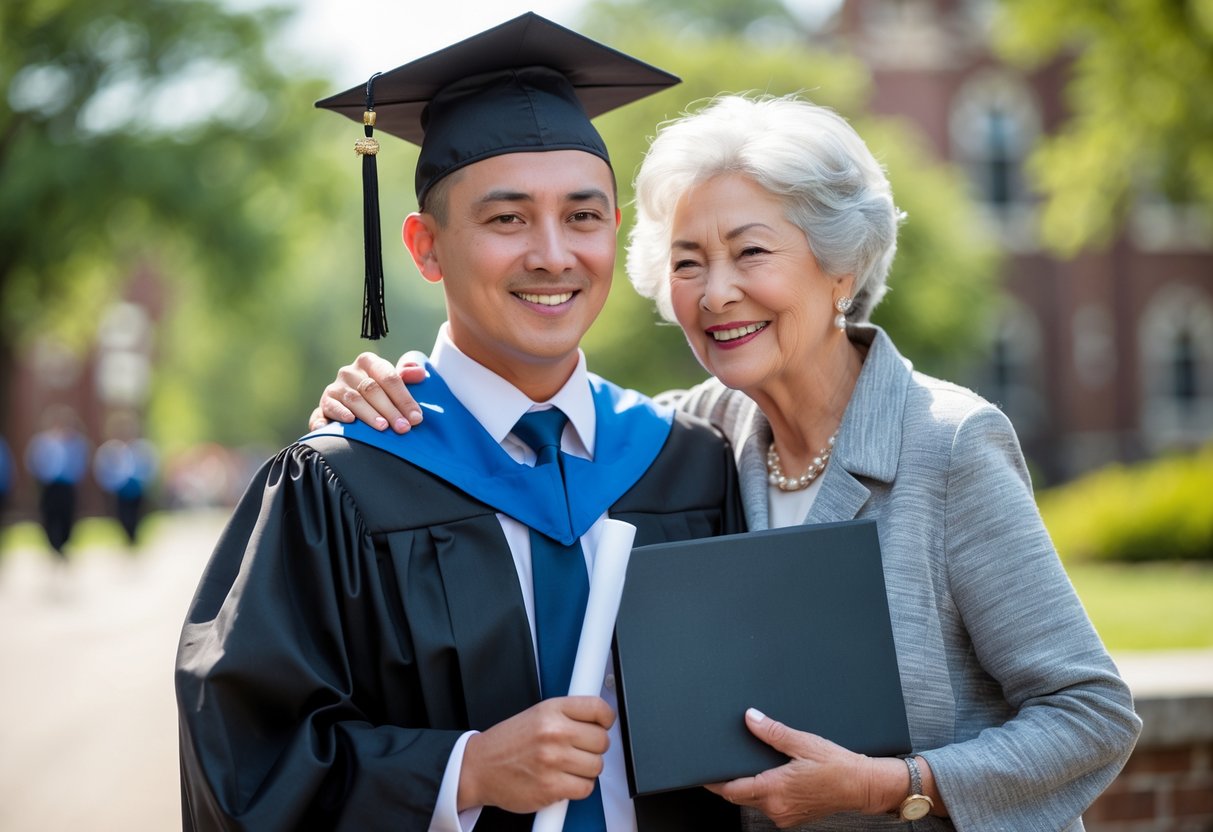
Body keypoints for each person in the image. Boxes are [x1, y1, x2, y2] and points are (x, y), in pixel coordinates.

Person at [311, 94, 1142, 830]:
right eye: (686, 262)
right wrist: (386, 404)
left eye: (750, 253)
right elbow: (536, 415)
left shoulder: (946, 441)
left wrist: (895, 785)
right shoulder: (698, 438)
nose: (714, 294)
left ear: (839, 266)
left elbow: (1092, 714)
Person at [175, 14, 744, 832]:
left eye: (582, 217)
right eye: (506, 219)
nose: (552, 254)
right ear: (424, 247)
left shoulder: (684, 464)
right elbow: (245, 761)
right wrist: (461, 772)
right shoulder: (342, 483)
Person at [24, 405, 89, 559]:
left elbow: (81, 462)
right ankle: (53, 545)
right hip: (49, 485)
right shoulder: (42, 441)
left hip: (67, 485)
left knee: (67, 515)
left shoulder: (76, 442)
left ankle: (63, 544)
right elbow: (34, 461)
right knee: (49, 515)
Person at [93, 410, 158, 546]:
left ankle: (134, 538)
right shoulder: (111, 449)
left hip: (137, 488)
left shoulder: (141, 447)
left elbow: (149, 466)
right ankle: (128, 538)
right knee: (123, 516)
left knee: (136, 515)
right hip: (120, 489)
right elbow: (104, 469)